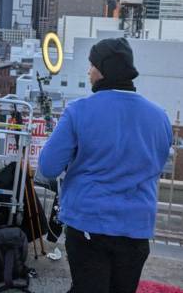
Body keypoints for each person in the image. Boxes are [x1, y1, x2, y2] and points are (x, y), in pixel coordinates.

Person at [38, 38, 172, 293]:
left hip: (90, 223)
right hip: (137, 227)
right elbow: (158, 161)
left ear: (103, 69)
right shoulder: (159, 117)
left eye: (91, 65)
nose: (88, 71)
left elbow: (49, 166)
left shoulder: (80, 111)